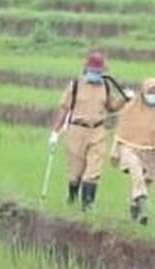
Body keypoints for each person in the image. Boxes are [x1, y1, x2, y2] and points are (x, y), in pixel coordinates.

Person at [48, 51, 129, 211]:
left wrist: (124, 99)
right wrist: (55, 132)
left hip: (97, 130)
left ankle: (88, 205)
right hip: (77, 130)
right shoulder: (76, 85)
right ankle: (72, 198)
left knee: (93, 170)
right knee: (75, 172)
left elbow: (111, 107)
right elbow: (64, 109)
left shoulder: (105, 86)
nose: (96, 74)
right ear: (86, 69)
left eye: (99, 71)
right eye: (93, 71)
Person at [111, 77, 155, 224]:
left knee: (146, 181)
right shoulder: (131, 108)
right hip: (130, 149)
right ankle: (142, 206)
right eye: (150, 91)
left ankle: (135, 209)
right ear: (143, 92)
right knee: (137, 175)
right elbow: (121, 131)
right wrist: (115, 151)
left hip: (151, 151)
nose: (153, 95)